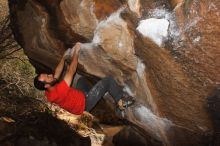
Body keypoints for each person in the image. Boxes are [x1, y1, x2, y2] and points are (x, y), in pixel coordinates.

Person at [34, 42, 135, 115]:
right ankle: (121, 101)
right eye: (47, 77)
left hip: (78, 96)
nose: (49, 75)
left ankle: (100, 93)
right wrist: (76, 52)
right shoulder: (58, 92)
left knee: (81, 80)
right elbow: (71, 71)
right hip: (84, 104)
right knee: (108, 80)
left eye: (47, 74)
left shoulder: (48, 90)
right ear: (47, 85)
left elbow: (56, 73)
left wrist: (63, 58)